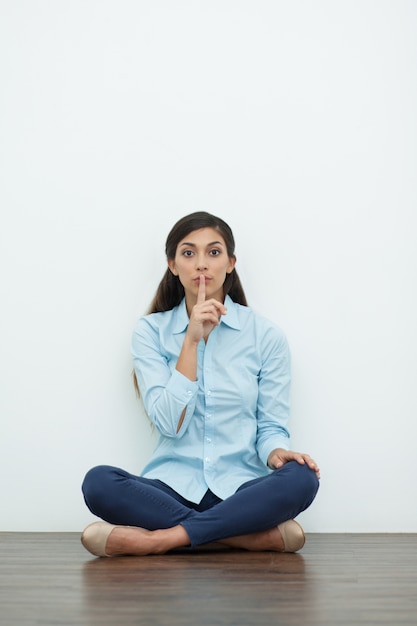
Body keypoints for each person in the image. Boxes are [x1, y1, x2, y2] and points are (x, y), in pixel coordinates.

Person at [81, 211, 320, 557]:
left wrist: (276, 452)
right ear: (173, 265)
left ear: (231, 262)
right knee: (98, 482)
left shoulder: (265, 336)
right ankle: (242, 537)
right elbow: (169, 425)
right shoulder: (150, 332)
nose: (202, 264)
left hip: (240, 489)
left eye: (214, 252)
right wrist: (191, 342)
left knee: (302, 478)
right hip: (170, 487)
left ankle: (161, 540)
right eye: (188, 253)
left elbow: (270, 427)